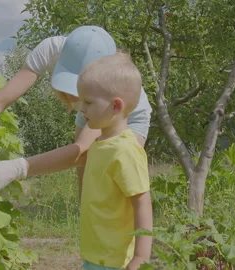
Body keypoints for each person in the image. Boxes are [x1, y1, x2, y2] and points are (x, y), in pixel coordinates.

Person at [0, 25, 152, 195]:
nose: (74, 98)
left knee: (113, 180)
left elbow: (81, 151)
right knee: (87, 187)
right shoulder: (51, 50)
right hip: (94, 105)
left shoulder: (111, 77)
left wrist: (20, 167)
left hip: (124, 112)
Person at [75, 53, 153, 270]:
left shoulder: (125, 149)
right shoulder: (100, 143)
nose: (82, 108)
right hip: (96, 255)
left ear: (116, 106)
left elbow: (142, 203)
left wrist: (140, 256)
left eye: (88, 102)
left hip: (115, 261)